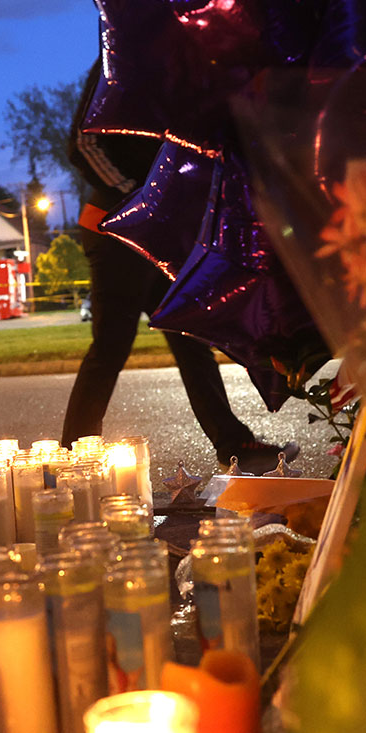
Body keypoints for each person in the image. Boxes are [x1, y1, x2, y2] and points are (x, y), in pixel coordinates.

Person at [59, 64, 297, 474]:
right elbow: (82, 144)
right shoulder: (115, 63)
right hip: (116, 230)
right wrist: (141, 202)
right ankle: (73, 458)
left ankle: (234, 445)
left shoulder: (174, 68)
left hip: (159, 235)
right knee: (111, 346)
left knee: (190, 339)